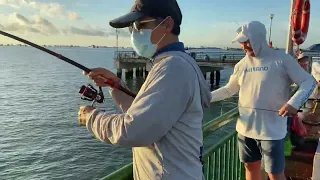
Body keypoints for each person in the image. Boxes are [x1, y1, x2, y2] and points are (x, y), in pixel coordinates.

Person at [78, 0, 211, 179]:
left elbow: (134, 131)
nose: (134, 33)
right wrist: (116, 85)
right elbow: (149, 115)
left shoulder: (172, 68)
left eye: (140, 25)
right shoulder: (176, 63)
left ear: (167, 24)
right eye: (131, 28)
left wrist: (91, 117)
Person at [210, 21, 316, 180]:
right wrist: (204, 97)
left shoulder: (281, 59)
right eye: (242, 43)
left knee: (274, 174)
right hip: (245, 129)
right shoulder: (241, 64)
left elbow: (309, 82)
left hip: (272, 131)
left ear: (259, 38)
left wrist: (293, 103)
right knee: (250, 167)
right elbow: (229, 90)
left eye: (247, 41)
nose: (245, 46)